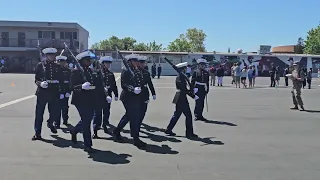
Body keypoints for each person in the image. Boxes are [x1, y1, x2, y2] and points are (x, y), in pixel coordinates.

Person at [70, 51, 103, 153]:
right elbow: (71, 86)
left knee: (87, 119)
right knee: (86, 121)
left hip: (91, 99)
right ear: (82, 61)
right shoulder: (75, 72)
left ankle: (75, 130)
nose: (90, 62)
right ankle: (87, 145)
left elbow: (97, 85)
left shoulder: (90, 71)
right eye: (87, 60)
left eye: (90, 60)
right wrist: (81, 87)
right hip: (80, 100)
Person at [113, 54, 146, 148]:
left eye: (137, 61)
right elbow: (124, 85)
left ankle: (117, 131)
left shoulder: (135, 70)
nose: (136, 62)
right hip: (128, 97)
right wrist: (133, 89)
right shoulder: (126, 70)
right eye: (134, 61)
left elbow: (140, 82)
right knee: (134, 117)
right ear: (129, 62)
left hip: (136, 97)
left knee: (129, 116)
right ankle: (135, 138)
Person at [32, 47, 63, 141]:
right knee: (39, 114)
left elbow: (61, 79)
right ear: (46, 56)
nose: (51, 56)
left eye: (53, 55)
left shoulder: (58, 66)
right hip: (43, 92)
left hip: (54, 92)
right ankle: (37, 133)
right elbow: (36, 79)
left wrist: (62, 91)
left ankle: (50, 123)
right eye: (49, 55)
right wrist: (40, 83)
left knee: (55, 112)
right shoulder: (40, 65)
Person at [165, 62, 198, 138]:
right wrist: (192, 95)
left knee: (177, 114)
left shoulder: (182, 76)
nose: (186, 69)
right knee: (188, 115)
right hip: (181, 98)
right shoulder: (180, 77)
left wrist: (192, 91)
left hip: (180, 97)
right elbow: (183, 89)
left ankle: (168, 129)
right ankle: (189, 133)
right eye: (185, 68)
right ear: (182, 69)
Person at [92, 56, 118, 138]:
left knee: (106, 112)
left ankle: (105, 125)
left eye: (109, 63)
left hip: (108, 95)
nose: (108, 65)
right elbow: (94, 84)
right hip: (99, 96)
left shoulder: (110, 74)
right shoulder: (96, 73)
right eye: (106, 63)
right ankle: (95, 130)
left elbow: (114, 85)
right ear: (102, 64)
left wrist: (116, 94)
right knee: (97, 113)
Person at [138, 55, 156, 126]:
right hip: (137, 93)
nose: (142, 64)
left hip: (145, 94)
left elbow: (150, 84)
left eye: (143, 63)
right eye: (141, 63)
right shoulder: (135, 72)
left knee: (143, 111)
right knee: (137, 111)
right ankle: (136, 124)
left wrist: (153, 93)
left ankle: (138, 123)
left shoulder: (146, 72)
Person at [55, 55, 71, 127]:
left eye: (62, 62)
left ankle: (65, 120)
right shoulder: (56, 70)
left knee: (65, 107)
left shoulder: (68, 71)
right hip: (58, 91)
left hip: (66, 90)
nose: (61, 63)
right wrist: (59, 92)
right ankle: (57, 123)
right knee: (57, 107)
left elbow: (70, 82)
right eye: (59, 61)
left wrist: (69, 91)